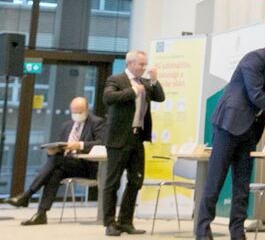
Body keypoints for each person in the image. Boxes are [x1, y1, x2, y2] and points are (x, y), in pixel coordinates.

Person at [195, 29, 265, 240]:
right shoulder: (254, 59)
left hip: (249, 132)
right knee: (215, 182)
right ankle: (202, 232)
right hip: (229, 126)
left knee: (242, 186)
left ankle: (237, 233)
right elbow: (256, 95)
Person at [4, 96, 106, 225]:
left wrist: (79, 145)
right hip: (67, 164)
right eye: (74, 112)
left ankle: (27, 195)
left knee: (57, 161)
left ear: (86, 110)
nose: (76, 115)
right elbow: (61, 148)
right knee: (55, 172)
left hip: (88, 166)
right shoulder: (67, 126)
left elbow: (101, 142)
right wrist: (53, 151)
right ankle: (41, 213)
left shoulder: (96, 122)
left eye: (79, 112)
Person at [102, 50, 165, 236]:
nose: (144, 67)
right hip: (118, 139)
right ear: (130, 64)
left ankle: (125, 221)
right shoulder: (116, 79)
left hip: (138, 138)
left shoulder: (145, 83)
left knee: (136, 180)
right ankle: (110, 223)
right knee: (112, 182)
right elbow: (108, 98)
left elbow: (160, 97)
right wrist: (132, 91)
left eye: (145, 64)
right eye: (141, 64)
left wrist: (154, 81)